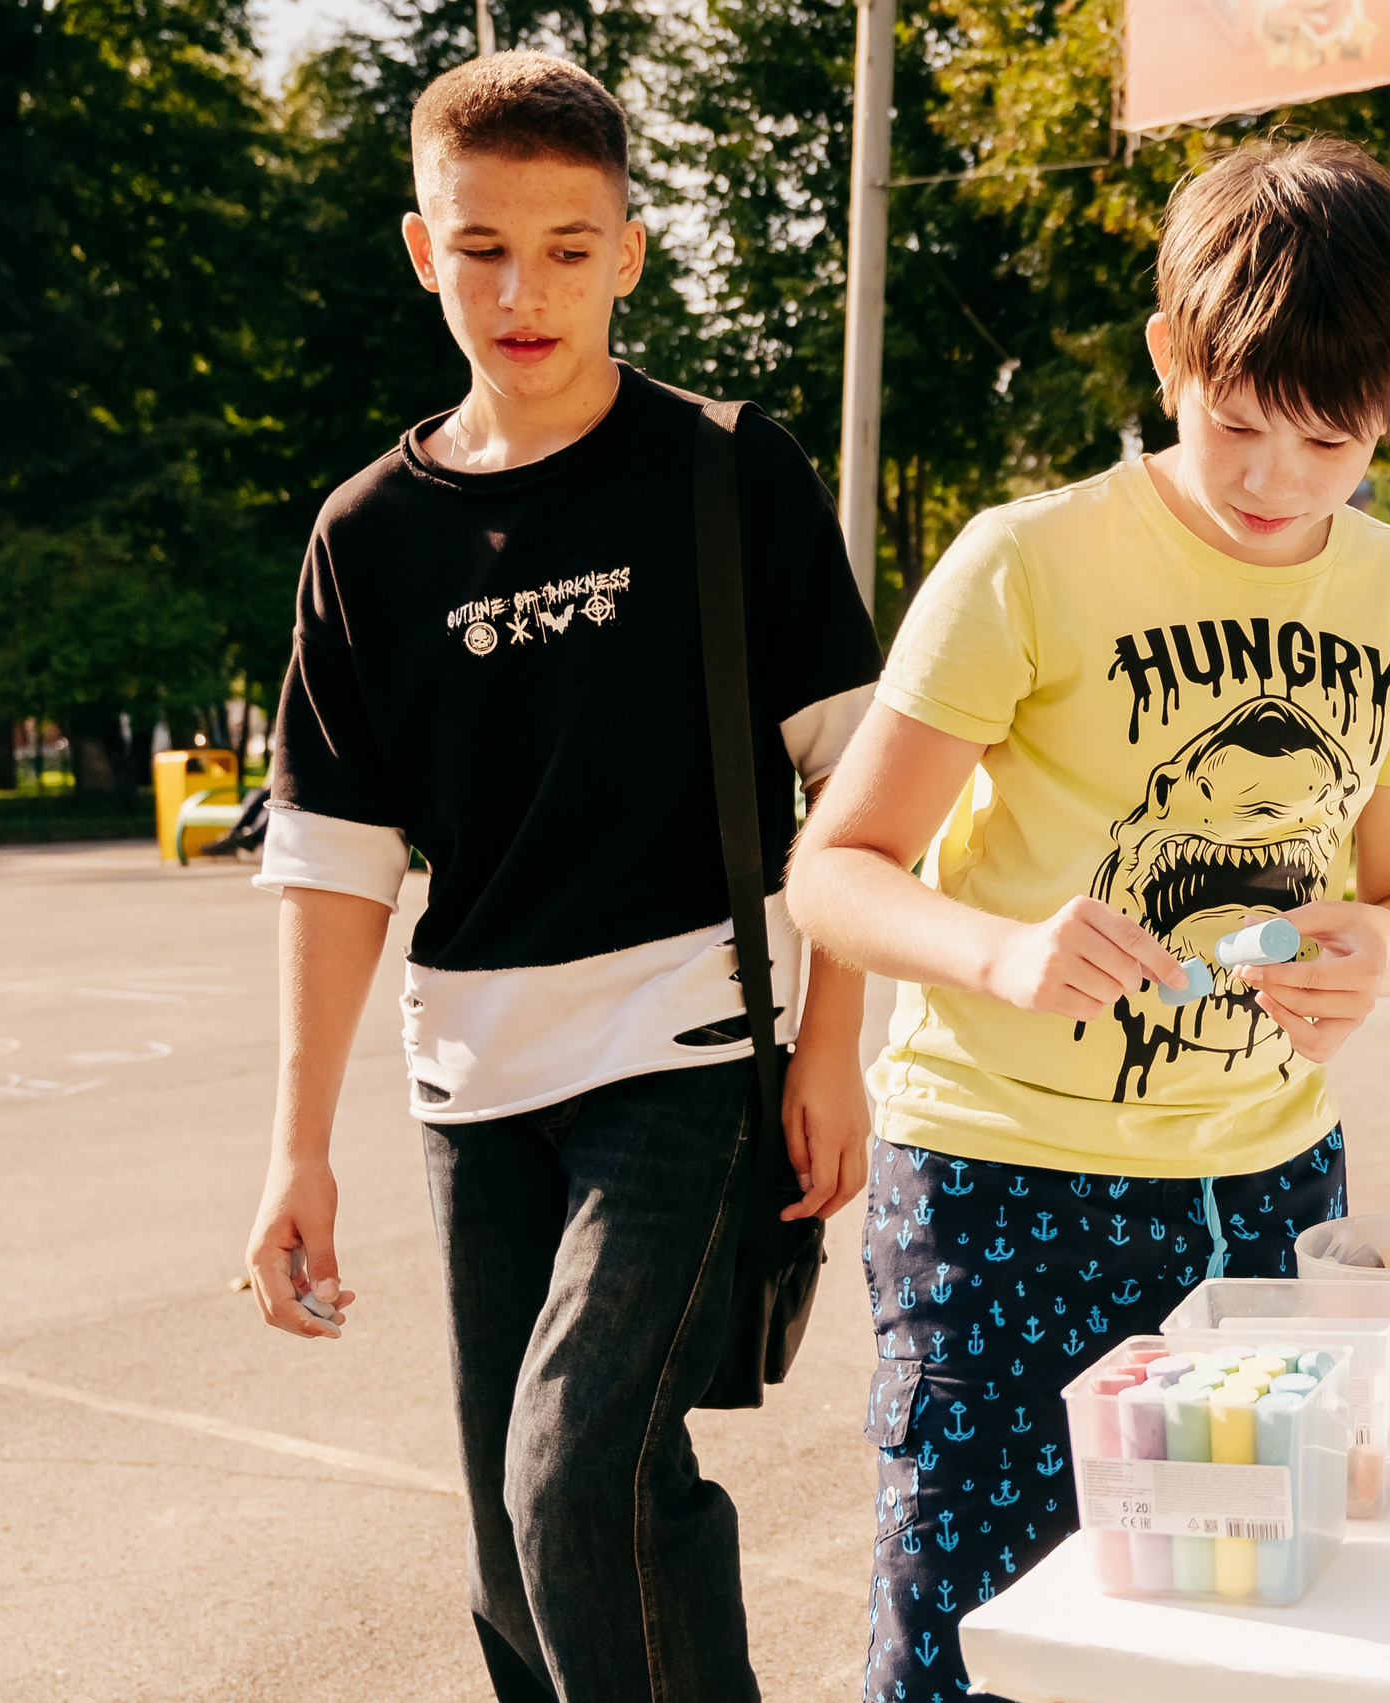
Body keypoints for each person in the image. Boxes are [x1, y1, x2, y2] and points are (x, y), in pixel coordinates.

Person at [238, 51, 881, 1703]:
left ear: (631, 251)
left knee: (577, 1480)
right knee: (509, 1564)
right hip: (471, 1078)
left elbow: (857, 787)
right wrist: (296, 1152)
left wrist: (832, 1049)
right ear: (419, 247)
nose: (524, 290)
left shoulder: (730, 473)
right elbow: (332, 864)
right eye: (481, 248)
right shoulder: (366, 535)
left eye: (569, 247)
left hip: (685, 1050)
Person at [785, 137, 1390, 1702]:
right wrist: (1003, 954)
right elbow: (839, 866)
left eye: (1328, 442)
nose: (1270, 483)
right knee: (974, 1647)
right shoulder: (1025, 561)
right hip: (999, 1192)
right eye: (1233, 422)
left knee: (1239, 1646)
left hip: (1269, 1188)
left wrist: (1385, 956)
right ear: (1169, 354)